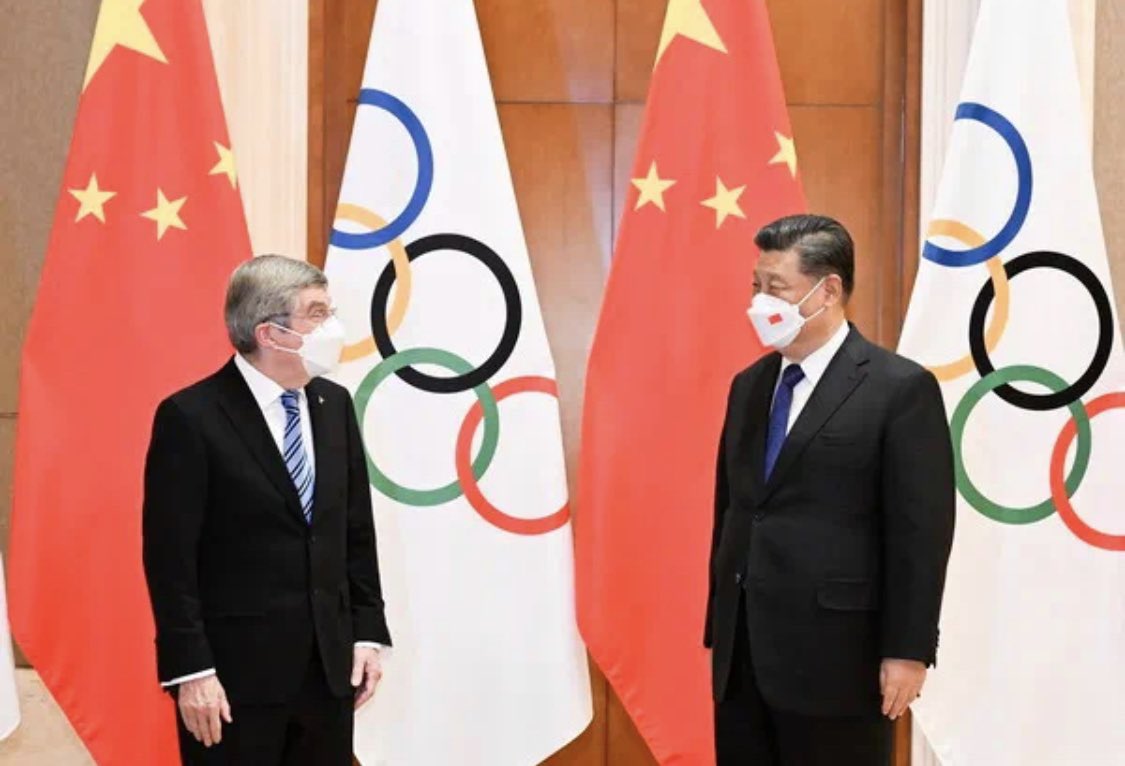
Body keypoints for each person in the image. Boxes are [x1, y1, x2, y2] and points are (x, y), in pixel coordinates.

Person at [706, 215, 955, 765]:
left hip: (840, 660)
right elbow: (734, 510)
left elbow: (921, 533)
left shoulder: (899, 389)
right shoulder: (749, 386)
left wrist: (908, 650)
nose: (759, 301)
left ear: (828, 290)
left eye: (777, 287)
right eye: (756, 285)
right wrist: (718, 626)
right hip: (742, 655)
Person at [143, 255, 391, 765]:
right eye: (317, 313)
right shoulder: (190, 417)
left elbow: (354, 532)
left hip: (328, 674)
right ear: (270, 333)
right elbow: (170, 560)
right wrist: (192, 671)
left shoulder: (334, 405)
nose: (333, 327)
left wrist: (367, 632)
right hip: (233, 684)